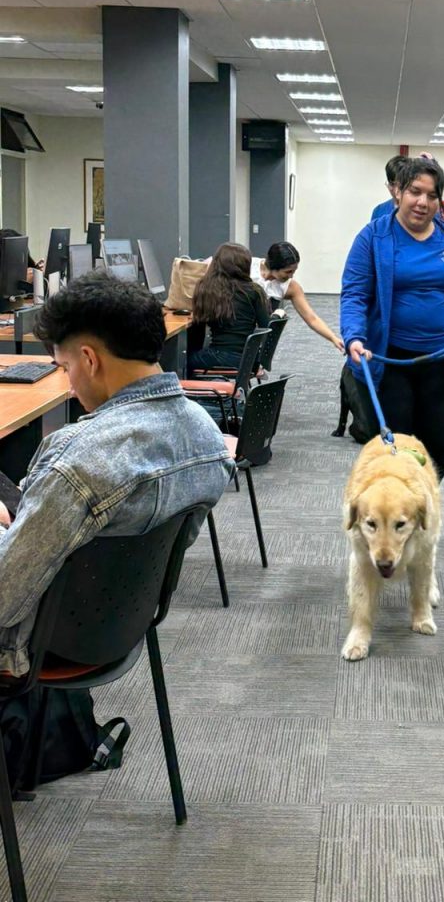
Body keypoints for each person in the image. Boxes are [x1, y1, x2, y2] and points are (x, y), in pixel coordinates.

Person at [0, 271, 233, 676]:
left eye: (65, 366)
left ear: (90, 360)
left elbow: (5, 598)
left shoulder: (74, 461)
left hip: (33, 644)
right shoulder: (208, 438)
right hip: (121, 625)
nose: (70, 386)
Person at [341, 156, 444, 478]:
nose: (423, 202)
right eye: (415, 192)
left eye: (432, 195)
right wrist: (354, 336)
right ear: (398, 192)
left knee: (437, 455)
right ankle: (398, 524)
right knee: (396, 458)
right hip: (389, 361)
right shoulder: (374, 237)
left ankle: (420, 518)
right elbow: (355, 293)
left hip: (441, 360)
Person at [189, 242, 270, 371]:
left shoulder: (206, 289)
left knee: (182, 360)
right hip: (249, 359)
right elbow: (266, 327)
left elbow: (197, 330)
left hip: (219, 356)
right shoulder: (255, 291)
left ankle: (203, 386)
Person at [251, 242, 344, 352]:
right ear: (274, 267)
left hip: (258, 340)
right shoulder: (248, 266)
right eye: (288, 271)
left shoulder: (291, 287)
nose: (291, 276)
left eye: (294, 271)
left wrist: (334, 338)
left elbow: (312, 318)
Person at [370, 154, 409, 222]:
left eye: (401, 186)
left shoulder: (420, 211)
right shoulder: (379, 211)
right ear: (388, 185)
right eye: (393, 185)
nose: (397, 190)